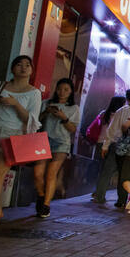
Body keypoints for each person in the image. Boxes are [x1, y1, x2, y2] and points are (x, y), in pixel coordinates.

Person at [0, 56, 42, 229]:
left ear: (32, 70)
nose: (23, 68)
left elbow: (32, 120)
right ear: (12, 69)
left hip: (13, 135)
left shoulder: (34, 93)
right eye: (19, 65)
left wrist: (15, 104)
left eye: (27, 65)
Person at [36, 78, 79, 218]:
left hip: (61, 143)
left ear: (71, 92)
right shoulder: (46, 103)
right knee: (37, 173)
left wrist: (63, 117)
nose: (62, 92)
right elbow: (35, 121)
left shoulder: (73, 108)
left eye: (66, 90)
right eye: (60, 89)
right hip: (43, 141)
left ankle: (46, 205)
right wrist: (46, 113)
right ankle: (42, 196)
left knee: (51, 173)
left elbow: (73, 129)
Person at [93, 90, 130, 207]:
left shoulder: (121, 111)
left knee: (107, 172)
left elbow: (111, 131)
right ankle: (122, 200)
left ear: (127, 98)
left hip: (117, 145)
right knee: (125, 174)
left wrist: (105, 146)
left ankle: (99, 196)